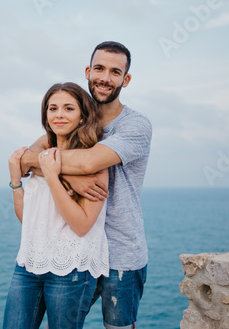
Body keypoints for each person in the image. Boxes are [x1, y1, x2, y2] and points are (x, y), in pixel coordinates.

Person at [21, 41, 152, 328]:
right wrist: (60, 173)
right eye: (99, 68)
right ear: (88, 71)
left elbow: (88, 163)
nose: (105, 77)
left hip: (121, 253)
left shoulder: (136, 126)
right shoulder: (73, 115)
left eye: (115, 72)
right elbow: (28, 158)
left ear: (125, 80)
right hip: (76, 250)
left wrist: (61, 171)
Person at [3, 82, 110, 329]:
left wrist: (52, 176)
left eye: (68, 108)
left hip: (71, 269)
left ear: (83, 116)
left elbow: (82, 225)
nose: (59, 114)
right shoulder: (41, 154)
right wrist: (15, 181)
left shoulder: (95, 162)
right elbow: (27, 220)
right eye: (52, 108)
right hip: (29, 265)